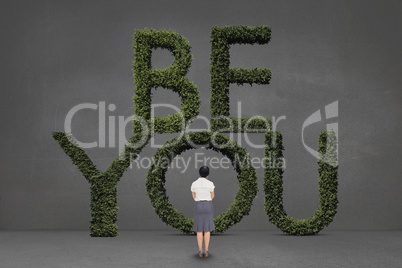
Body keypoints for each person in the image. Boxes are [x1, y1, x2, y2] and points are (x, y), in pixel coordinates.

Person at [191, 166, 215, 258]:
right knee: (207, 229)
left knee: (199, 229)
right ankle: (207, 250)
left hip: (198, 206)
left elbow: (194, 196)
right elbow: (212, 195)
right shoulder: (210, 183)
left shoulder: (194, 183)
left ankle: (200, 251)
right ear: (207, 174)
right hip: (208, 205)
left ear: (199, 173)